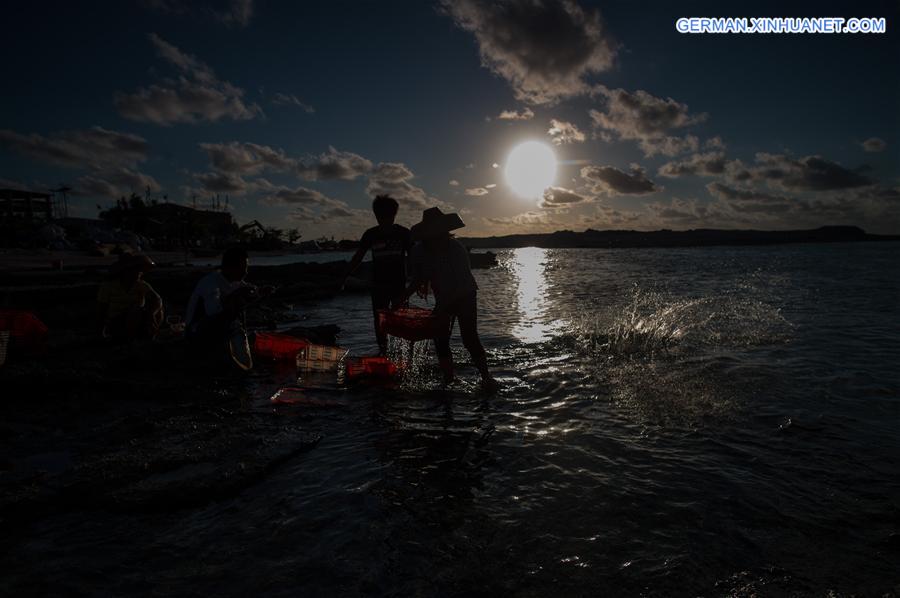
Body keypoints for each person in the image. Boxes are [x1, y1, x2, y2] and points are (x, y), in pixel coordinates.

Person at [402, 207, 499, 393]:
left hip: (465, 294)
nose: (436, 238)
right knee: (440, 339)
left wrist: (443, 305)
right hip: (443, 296)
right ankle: (449, 379)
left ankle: (486, 377)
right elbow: (419, 278)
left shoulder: (456, 250)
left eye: (440, 234)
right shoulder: (420, 251)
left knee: (469, 338)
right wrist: (403, 297)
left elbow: (462, 284)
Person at [342, 194, 412, 354]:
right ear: (376, 215)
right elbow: (358, 258)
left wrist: (420, 280)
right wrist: (344, 276)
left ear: (394, 215)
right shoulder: (370, 234)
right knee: (380, 320)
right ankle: (383, 351)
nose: (385, 220)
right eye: (382, 216)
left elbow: (413, 258)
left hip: (399, 285)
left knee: (402, 319)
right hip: (378, 285)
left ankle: (403, 353)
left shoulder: (403, 233)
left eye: (388, 216)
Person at [185, 246, 273, 353]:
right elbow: (212, 312)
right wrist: (235, 296)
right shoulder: (210, 283)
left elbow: (251, 289)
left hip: (218, 328)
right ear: (229, 267)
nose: (246, 272)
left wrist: (261, 291)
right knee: (237, 302)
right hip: (197, 331)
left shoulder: (234, 281)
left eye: (246, 268)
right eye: (242, 268)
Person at [96, 254, 164, 341]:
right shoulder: (108, 286)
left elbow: (157, 299)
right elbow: (101, 310)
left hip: (138, 319)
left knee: (158, 310)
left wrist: (152, 313)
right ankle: (131, 340)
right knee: (135, 310)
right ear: (125, 271)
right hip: (116, 322)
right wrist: (100, 331)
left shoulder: (141, 285)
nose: (139, 273)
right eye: (135, 270)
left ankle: (150, 335)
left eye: (140, 270)